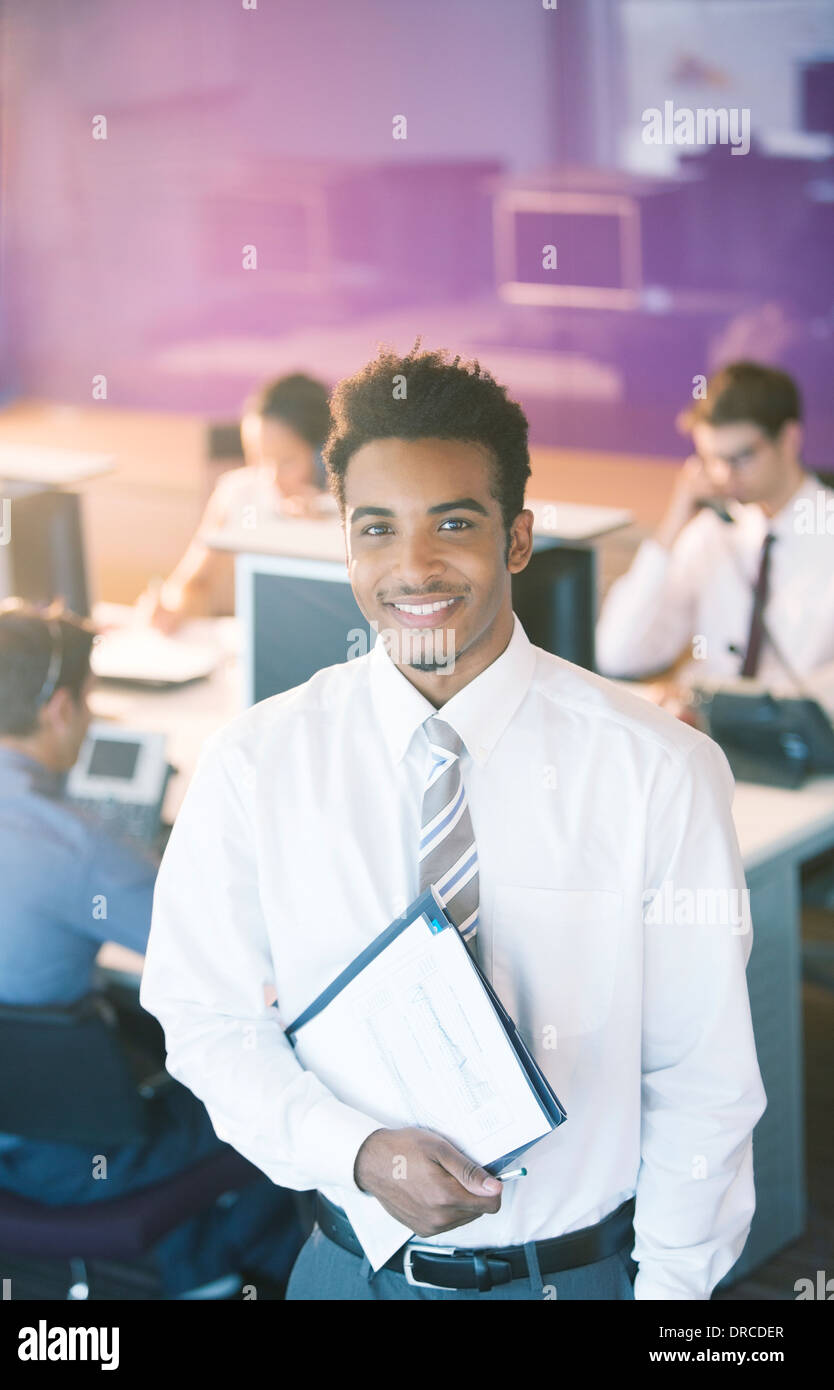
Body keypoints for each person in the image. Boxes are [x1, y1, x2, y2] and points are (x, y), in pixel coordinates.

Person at [141, 343, 767, 1301]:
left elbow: (704, 1081)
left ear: (517, 541)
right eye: (377, 529)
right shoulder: (259, 763)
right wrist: (352, 1152)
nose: (413, 566)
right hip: (347, 1272)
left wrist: (674, 1298)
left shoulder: (659, 772)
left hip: (571, 1276)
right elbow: (203, 1017)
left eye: (454, 523)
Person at [0, 599, 304, 1297]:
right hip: (67, 1160)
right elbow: (229, 955)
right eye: (88, 704)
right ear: (61, 708)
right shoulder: (75, 846)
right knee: (268, 1091)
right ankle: (216, 1272)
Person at [596, 362, 834, 719]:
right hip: (713, 743)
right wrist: (673, 525)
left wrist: (748, 707)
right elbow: (619, 654)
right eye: (710, 459)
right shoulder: (710, 530)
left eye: (740, 458)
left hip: (807, 753)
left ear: (788, 439)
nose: (723, 476)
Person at [139, 372, 334, 633]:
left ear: (323, 454)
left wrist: (332, 523)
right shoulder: (239, 492)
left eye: (287, 461)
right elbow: (195, 581)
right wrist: (173, 608)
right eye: (258, 459)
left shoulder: (353, 506)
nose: (272, 479)